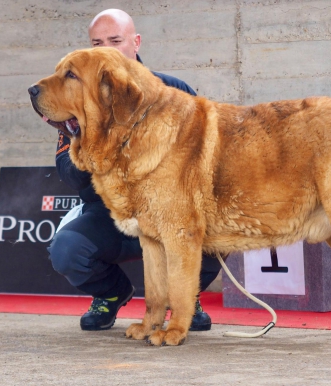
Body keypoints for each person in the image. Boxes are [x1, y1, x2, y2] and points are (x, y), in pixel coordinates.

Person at [48, 9, 221, 331]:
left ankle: (186, 297)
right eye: (97, 43)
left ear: (136, 42)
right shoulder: (74, 97)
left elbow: (202, 160)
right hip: (110, 213)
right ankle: (111, 295)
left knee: (213, 230)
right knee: (67, 250)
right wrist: (83, 135)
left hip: (172, 211)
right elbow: (69, 174)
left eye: (115, 41)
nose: (106, 50)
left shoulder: (173, 90)